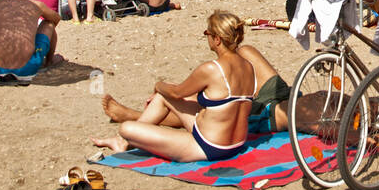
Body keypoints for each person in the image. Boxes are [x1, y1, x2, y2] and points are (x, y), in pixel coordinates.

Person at [91, 12, 257, 163]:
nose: (205, 37)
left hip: (209, 147)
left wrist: (158, 85)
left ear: (217, 39)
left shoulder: (212, 69)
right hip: (236, 143)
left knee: (126, 128)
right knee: (163, 96)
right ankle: (120, 142)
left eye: (207, 33)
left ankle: (122, 139)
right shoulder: (248, 66)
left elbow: (176, 93)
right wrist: (163, 92)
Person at [102, 40, 296, 135]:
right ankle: (192, 94)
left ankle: (134, 116)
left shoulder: (315, 120)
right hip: (285, 95)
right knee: (245, 51)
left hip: (269, 113)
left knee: (206, 106)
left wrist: (160, 86)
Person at [0, 0, 63, 76]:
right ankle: (49, 61)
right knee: (49, 23)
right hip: (27, 67)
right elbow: (56, 18)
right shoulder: (36, 4)